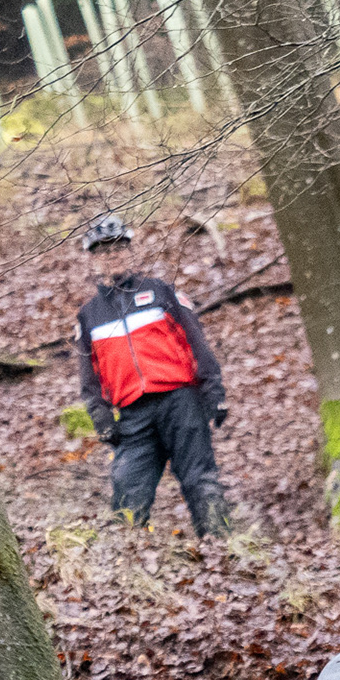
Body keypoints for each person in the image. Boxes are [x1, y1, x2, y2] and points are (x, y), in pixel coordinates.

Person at [74, 214, 233, 536]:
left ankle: (222, 549)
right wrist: (101, 418)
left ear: (130, 252)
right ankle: (130, 561)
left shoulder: (161, 292)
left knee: (199, 479)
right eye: (104, 251)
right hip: (132, 413)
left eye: (119, 248)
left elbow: (197, 344)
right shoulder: (89, 315)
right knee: (128, 488)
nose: (112, 256)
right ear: (93, 260)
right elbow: (88, 377)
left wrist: (214, 392)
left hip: (180, 400)